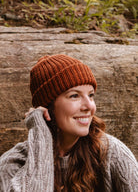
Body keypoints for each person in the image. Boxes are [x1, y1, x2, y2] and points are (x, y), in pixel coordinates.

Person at [0, 54, 137, 192]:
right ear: (48, 107)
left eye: (90, 95)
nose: (89, 106)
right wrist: (39, 134)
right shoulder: (12, 163)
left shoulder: (111, 152)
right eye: (74, 96)